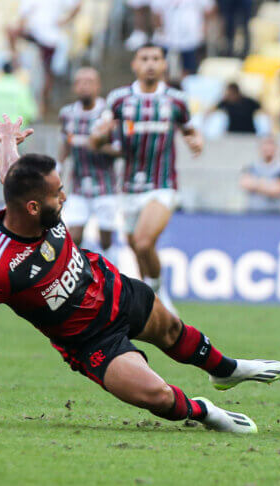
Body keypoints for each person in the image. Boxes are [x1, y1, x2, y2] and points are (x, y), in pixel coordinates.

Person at [0, 115, 280, 431]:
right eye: (57, 194)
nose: (64, 198)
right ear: (30, 207)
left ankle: (226, 369)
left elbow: (11, 172)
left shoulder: (29, 200)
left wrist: (7, 140)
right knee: (157, 396)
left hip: (112, 288)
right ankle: (205, 412)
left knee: (173, 331)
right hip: (91, 343)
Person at [91, 44, 203, 315]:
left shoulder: (176, 100)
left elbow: (190, 130)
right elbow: (96, 141)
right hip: (128, 187)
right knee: (136, 248)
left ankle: (160, 293)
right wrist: (102, 134)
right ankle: (152, 302)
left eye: (156, 59)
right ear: (135, 64)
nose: (150, 64)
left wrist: (195, 141)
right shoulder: (119, 99)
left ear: (164, 65)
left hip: (163, 185)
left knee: (143, 242)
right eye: (145, 59)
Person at [58, 68, 118, 258]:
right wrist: (58, 167)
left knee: (106, 238)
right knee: (73, 236)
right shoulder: (67, 114)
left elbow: (120, 149)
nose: (85, 86)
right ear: (75, 87)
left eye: (89, 82)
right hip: (78, 185)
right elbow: (65, 143)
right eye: (80, 82)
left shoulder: (108, 114)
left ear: (98, 85)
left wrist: (98, 146)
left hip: (105, 186)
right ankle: (79, 277)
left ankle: (112, 274)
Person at [7, 0, 81, 115]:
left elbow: (77, 5)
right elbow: (21, 20)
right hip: (37, 37)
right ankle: (15, 58)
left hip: (50, 40)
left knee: (47, 75)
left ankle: (44, 107)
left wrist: (65, 21)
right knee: (9, 30)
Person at [151, 0, 215, 77]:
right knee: (162, 69)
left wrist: (204, 27)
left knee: (190, 71)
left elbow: (209, 9)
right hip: (166, 38)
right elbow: (156, 11)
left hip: (192, 39)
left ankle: (186, 86)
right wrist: (160, 29)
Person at [239, 136, 280, 213]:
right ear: (260, 147)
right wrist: (268, 185)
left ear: (276, 148)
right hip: (252, 212)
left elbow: (278, 190)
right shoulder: (251, 166)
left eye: (271, 144)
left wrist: (256, 183)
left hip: (273, 214)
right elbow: (244, 183)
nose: (268, 148)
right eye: (265, 144)